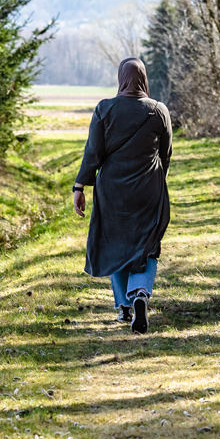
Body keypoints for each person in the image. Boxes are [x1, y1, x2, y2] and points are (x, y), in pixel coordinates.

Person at [74, 58, 173, 334]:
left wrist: (80, 186)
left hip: (112, 191)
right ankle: (139, 294)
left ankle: (123, 307)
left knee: (116, 243)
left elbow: (93, 153)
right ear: (144, 78)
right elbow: (165, 155)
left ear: (121, 78)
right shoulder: (159, 111)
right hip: (148, 189)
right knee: (147, 243)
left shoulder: (105, 109)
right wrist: (156, 183)